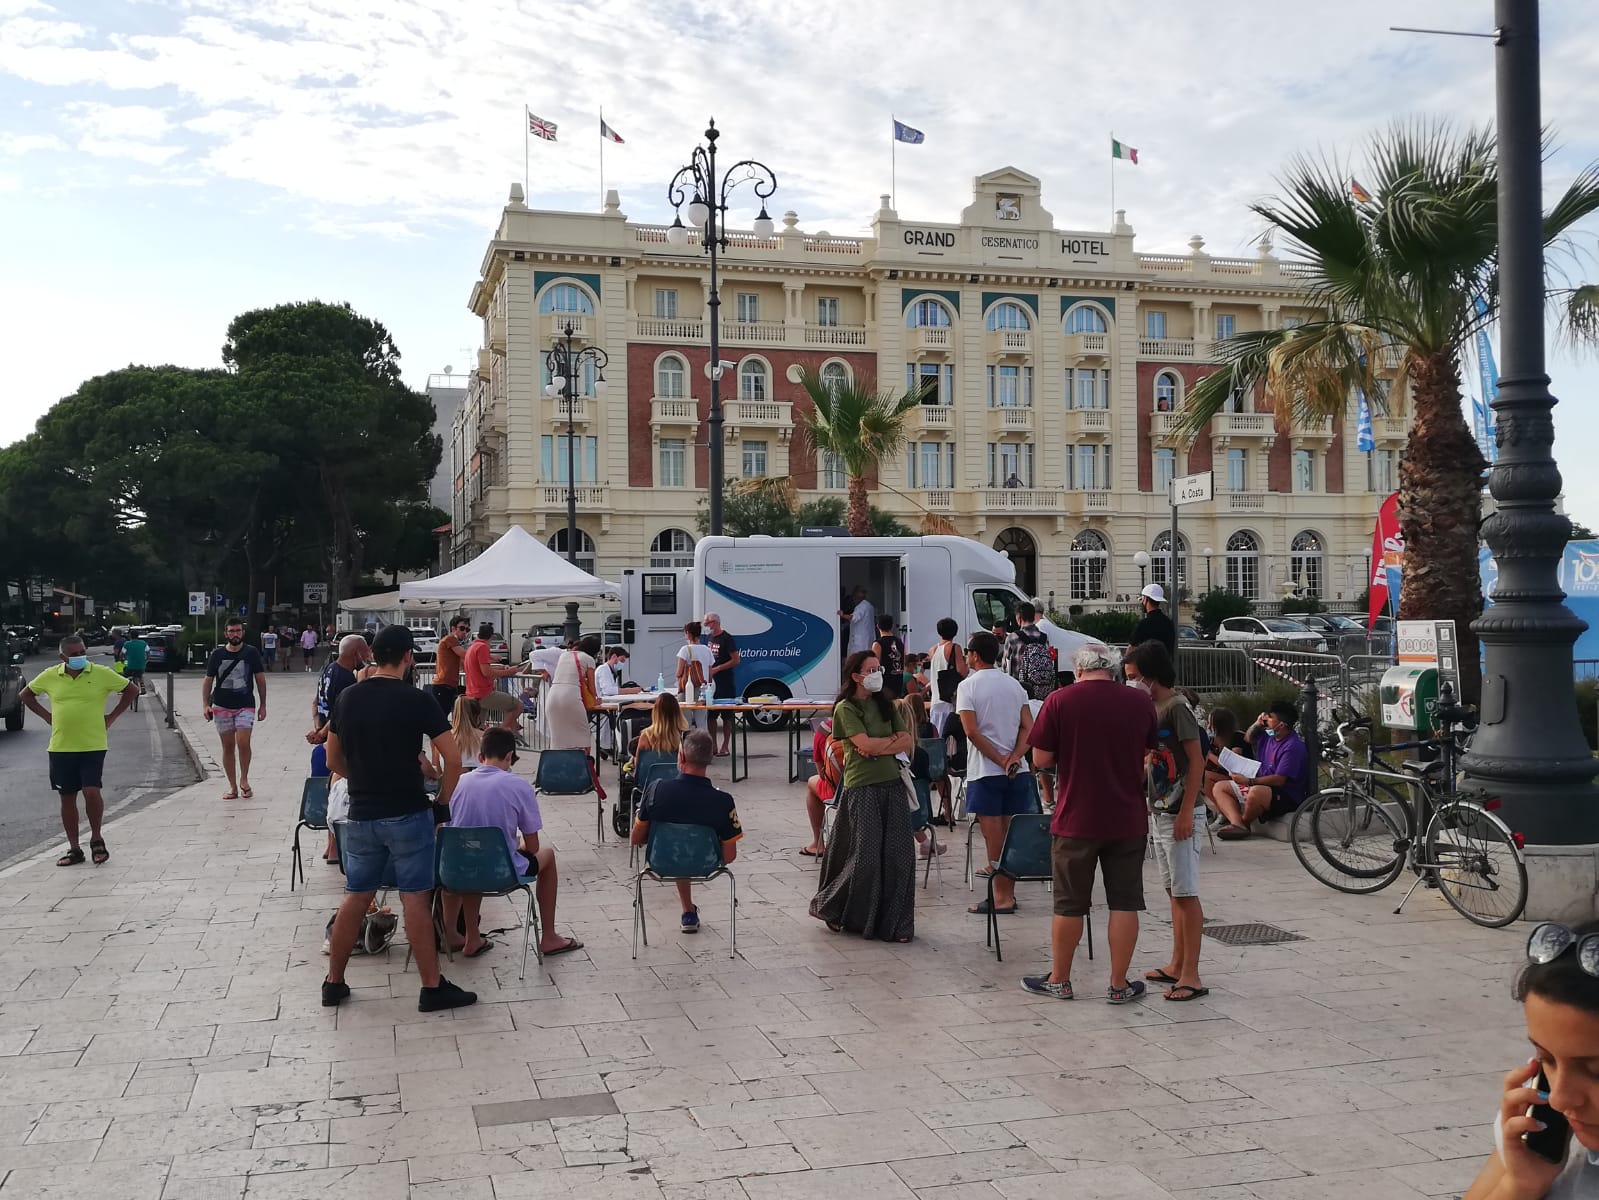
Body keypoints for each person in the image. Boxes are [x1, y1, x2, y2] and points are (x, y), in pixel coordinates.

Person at [322, 624, 474, 1012]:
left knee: (356, 895)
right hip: (407, 812)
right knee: (415, 900)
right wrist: (441, 801)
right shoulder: (417, 700)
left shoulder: (347, 698)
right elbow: (452, 759)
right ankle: (431, 986)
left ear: (372, 654)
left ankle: (334, 982)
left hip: (360, 813)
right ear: (408, 656)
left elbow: (331, 760)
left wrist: (364, 778)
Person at [1023, 643, 1159, 1005]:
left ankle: (1060, 979)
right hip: (1127, 817)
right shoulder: (1139, 702)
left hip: (1075, 818)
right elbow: (1147, 750)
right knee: (1125, 902)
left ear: (1078, 669)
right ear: (1113, 669)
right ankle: (1118, 984)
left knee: (1069, 904)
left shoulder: (1060, 701)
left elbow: (1041, 758)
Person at [1466, 921, 1599, 1198]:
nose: (1558, 1100)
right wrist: (1521, 1184)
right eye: (1546, 1058)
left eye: (1596, 1071)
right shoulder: (1540, 1126)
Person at [444, 727, 583, 959]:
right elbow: (533, 847)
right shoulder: (518, 786)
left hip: (458, 868)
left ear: (480, 757)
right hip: (501, 872)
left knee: (472, 859)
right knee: (547, 855)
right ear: (509, 756)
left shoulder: (459, 782)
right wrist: (516, 846)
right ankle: (549, 936)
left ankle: (471, 937)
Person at [809, 651, 916, 943]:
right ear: (856, 676)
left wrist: (879, 747)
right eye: (869, 670)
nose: (875, 674)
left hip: (892, 783)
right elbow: (862, 743)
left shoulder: (887, 704)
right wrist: (885, 744)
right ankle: (834, 908)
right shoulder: (846, 708)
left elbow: (906, 738)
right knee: (864, 858)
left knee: (900, 857)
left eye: (877, 668)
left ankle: (896, 924)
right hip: (862, 787)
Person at [1124, 641, 1207, 1002]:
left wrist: (1187, 810)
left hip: (1179, 811)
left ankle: (1192, 973)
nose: (1129, 683)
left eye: (1133, 676)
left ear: (1150, 675)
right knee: (1173, 890)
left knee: (1186, 893)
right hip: (1161, 808)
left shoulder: (1176, 708)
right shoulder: (1152, 707)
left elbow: (1197, 761)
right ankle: (1177, 962)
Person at [20, 634, 139, 867]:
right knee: (67, 797)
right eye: (74, 654)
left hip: (92, 745)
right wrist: (47, 717)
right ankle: (74, 848)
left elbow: (131, 690)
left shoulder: (99, 673)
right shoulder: (51, 675)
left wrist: (111, 717)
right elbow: (26, 695)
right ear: (63, 656)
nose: (79, 657)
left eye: (82, 652)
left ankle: (97, 839)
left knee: (91, 791)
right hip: (61, 747)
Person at [630, 728, 742, 934]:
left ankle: (687, 910)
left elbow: (635, 838)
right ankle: (688, 911)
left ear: (680, 756)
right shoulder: (723, 801)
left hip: (661, 861)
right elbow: (730, 855)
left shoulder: (656, 790)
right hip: (707, 865)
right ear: (710, 759)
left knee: (678, 850)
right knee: (687, 850)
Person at [957, 632, 1034, 917]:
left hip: (986, 771)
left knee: (994, 838)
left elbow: (971, 731)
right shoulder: (1014, 685)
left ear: (975, 655)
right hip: (1017, 771)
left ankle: (1001, 898)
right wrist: (1014, 756)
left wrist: (1001, 759)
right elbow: (1029, 727)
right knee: (1011, 835)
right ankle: (1008, 893)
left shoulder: (968, 686)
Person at [1212, 700, 1310, 839]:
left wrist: (1250, 781)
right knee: (1219, 787)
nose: (1266, 720)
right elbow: (1248, 737)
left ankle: (1244, 823)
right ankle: (1237, 824)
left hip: (1283, 794)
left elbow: (1279, 780)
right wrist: (1257, 724)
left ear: (1281, 725)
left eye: (1270, 718)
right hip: (1260, 783)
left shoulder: (1292, 746)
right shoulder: (1269, 736)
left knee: (1257, 792)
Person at [202, 619, 268, 800]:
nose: (235, 634)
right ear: (226, 633)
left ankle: (244, 779)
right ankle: (232, 786)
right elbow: (208, 680)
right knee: (228, 746)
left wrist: (263, 705)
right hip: (222, 706)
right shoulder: (217, 654)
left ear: (243, 633)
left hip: (245, 705)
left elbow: (260, 679)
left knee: (243, 742)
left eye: (238, 631)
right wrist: (205, 704)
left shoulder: (251, 653)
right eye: (231, 631)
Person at [463, 622, 524, 730]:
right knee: (518, 705)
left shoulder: (472, 647)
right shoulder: (482, 647)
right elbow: (487, 672)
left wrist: (500, 669)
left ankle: (509, 727)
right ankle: (501, 731)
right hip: (484, 693)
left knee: (477, 728)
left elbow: (480, 670)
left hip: (472, 693)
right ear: (491, 636)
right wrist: (508, 672)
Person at [546, 633, 599, 751]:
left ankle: (559, 765)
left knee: (557, 737)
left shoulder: (564, 656)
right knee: (583, 736)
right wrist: (595, 699)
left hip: (553, 694)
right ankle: (584, 765)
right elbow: (591, 685)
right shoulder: (588, 659)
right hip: (571, 695)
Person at [1002, 601, 1057, 703]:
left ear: (1019, 618)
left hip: (1020, 690)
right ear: (1033, 616)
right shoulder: (1044, 637)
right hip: (1042, 690)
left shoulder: (1012, 637)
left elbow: (1005, 666)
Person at [703, 612, 740, 758]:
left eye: (707, 623)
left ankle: (725, 745)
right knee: (711, 716)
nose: (705, 626)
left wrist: (718, 668)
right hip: (712, 684)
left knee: (727, 716)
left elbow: (736, 660)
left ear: (715, 622)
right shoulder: (710, 638)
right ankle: (714, 745)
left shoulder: (726, 638)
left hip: (725, 682)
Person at [926, 617, 969, 739]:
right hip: (949, 700)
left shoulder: (933, 649)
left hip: (935, 699)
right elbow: (962, 671)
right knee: (950, 740)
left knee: (938, 737)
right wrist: (967, 663)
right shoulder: (954, 647)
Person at [595, 644, 639, 757]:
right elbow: (609, 690)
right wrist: (630, 691)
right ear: (614, 656)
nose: (622, 664)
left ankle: (607, 746)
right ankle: (606, 746)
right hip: (602, 703)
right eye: (621, 660)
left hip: (607, 701)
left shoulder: (610, 671)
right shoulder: (603, 670)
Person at [800, 717, 834, 858]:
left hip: (839, 791)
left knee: (811, 782)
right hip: (878, 785)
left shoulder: (825, 730)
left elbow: (822, 774)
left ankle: (817, 843)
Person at [676, 622, 716, 728]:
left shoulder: (685, 650)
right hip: (704, 689)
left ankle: (687, 742)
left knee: (685, 722)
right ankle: (704, 743)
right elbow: (710, 672)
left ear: (688, 634)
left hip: (688, 690)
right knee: (702, 722)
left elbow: (679, 672)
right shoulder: (707, 650)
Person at [430, 615, 471, 717]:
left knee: (446, 714)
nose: (465, 631)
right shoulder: (450, 639)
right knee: (441, 716)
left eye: (467, 629)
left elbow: (463, 663)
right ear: (453, 628)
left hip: (448, 684)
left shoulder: (455, 643)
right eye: (462, 628)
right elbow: (465, 655)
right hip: (443, 684)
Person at [1131, 584, 1177, 659]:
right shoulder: (1168, 623)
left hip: (1146, 668)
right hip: (1165, 667)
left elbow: (1131, 649)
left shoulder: (1144, 624)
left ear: (1146, 599)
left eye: (1142, 599)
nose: (1142, 602)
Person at [872, 614, 905, 700]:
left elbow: (875, 664)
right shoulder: (899, 642)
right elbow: (903, 659)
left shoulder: (878, 643)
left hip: (884, 681)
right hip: (898, 678)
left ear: (878, 626)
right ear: (892, 626)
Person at [839, 587, 876, 657]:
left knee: (857, 660)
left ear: (856, 596)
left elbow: (854, 617)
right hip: (867, 640)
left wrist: (842, 615)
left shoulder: (861, 606)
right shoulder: (869, 606)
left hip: (860, 643)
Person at [118, 629, 148, 696]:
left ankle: (124, 689)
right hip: (141, 666)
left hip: (130, 666)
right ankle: (143, 688)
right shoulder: (143, 643)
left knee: (124, 674)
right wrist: (146, 660)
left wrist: (122, 661)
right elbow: (148, 652)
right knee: (140, 674)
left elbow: (121, 655)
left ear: (130, 636)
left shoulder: (127, 644)